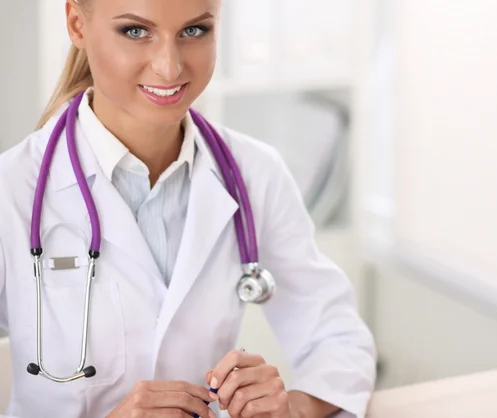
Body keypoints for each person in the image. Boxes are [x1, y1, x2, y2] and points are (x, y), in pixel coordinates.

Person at [0, 0, 377, 417]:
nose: (169, 67)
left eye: (194, 31)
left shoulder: (254, 172)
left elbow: (336, 336)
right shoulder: (13, 190)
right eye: (135, 31)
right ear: (77, 24)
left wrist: (293, 407)